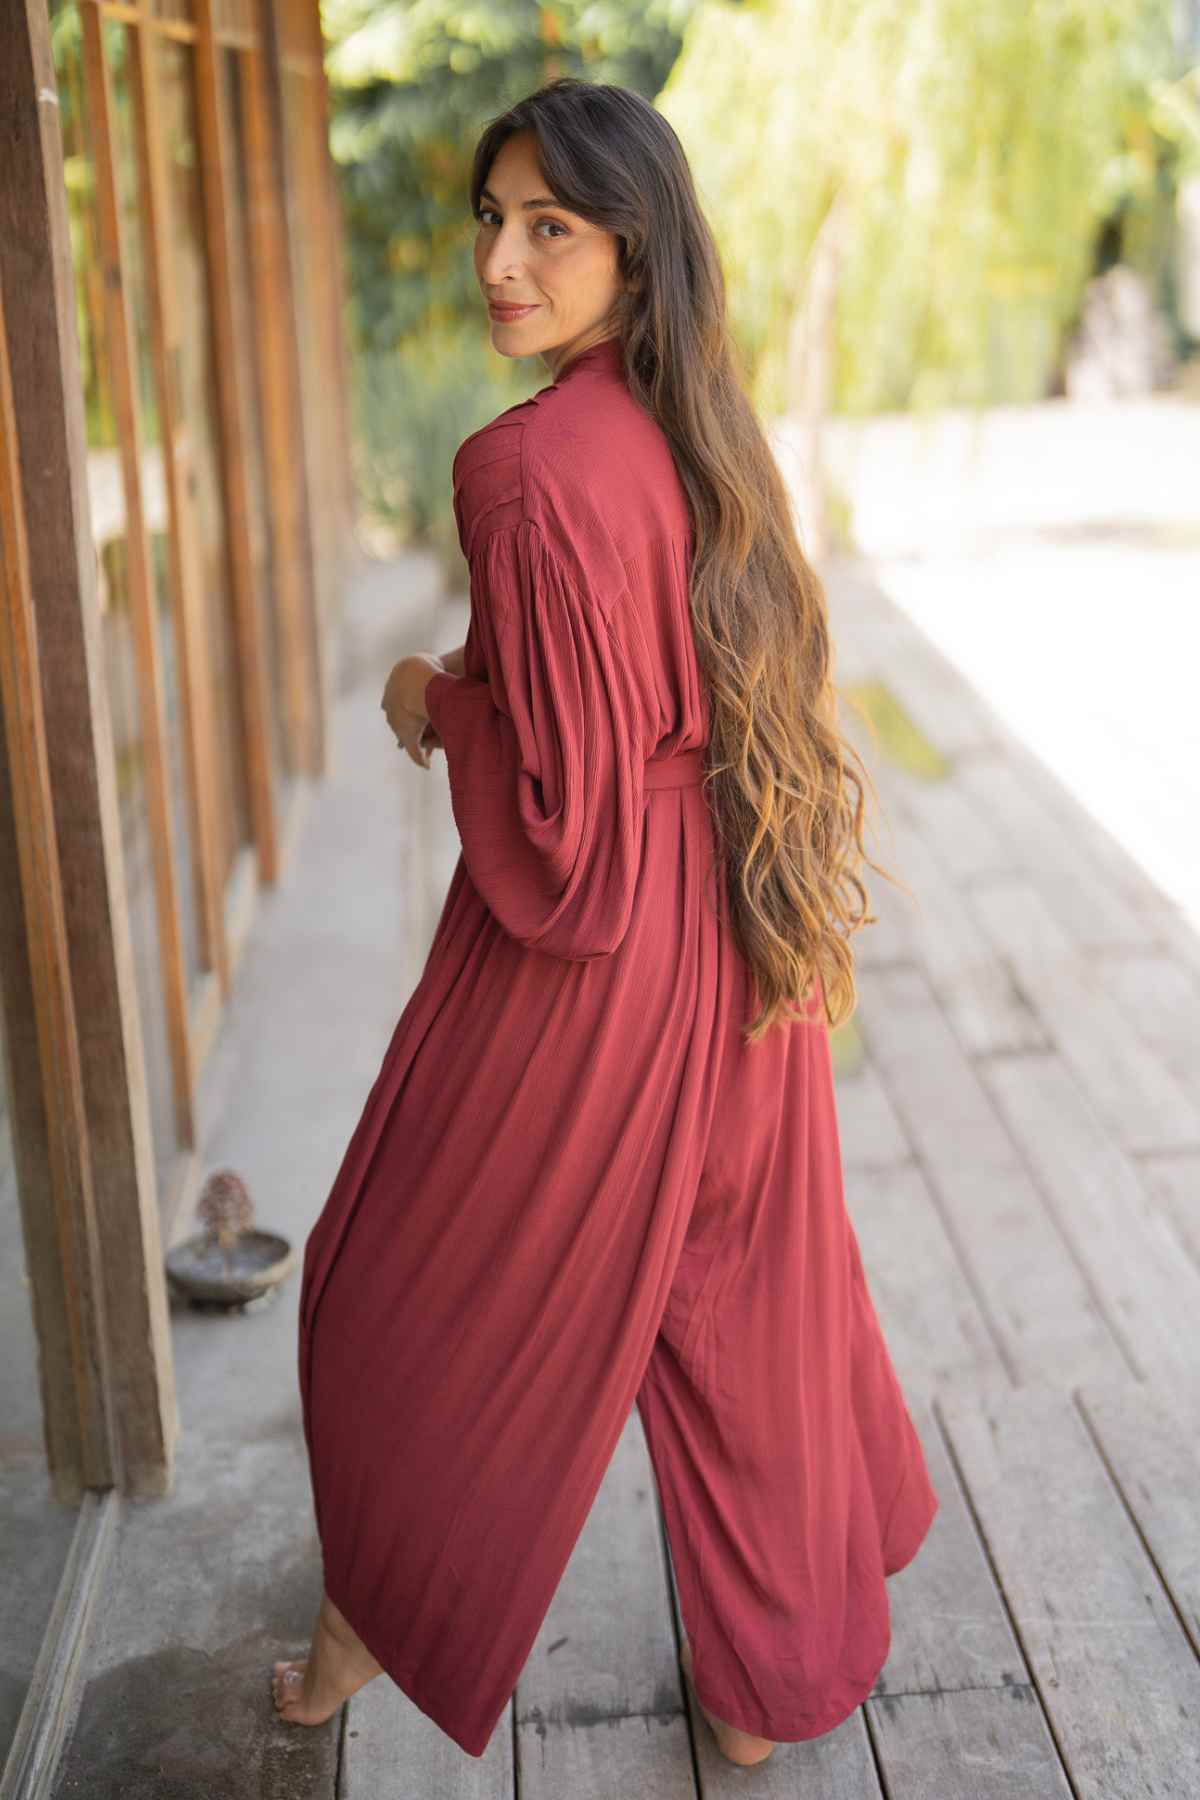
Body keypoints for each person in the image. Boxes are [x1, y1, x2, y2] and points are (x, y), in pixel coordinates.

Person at [272, 77, 938, 1768]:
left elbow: (564, 826)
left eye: (547, 228)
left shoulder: (519, 468)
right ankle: (768, 1687)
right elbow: (654, 703)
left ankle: (377, 1607)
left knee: (386, 1288)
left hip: (601, 956)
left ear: (632, 253)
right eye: (491, 222)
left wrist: (437, 697)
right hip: (736, 925)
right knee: (741, 1307)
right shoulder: (690, 419)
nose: (503, 260)